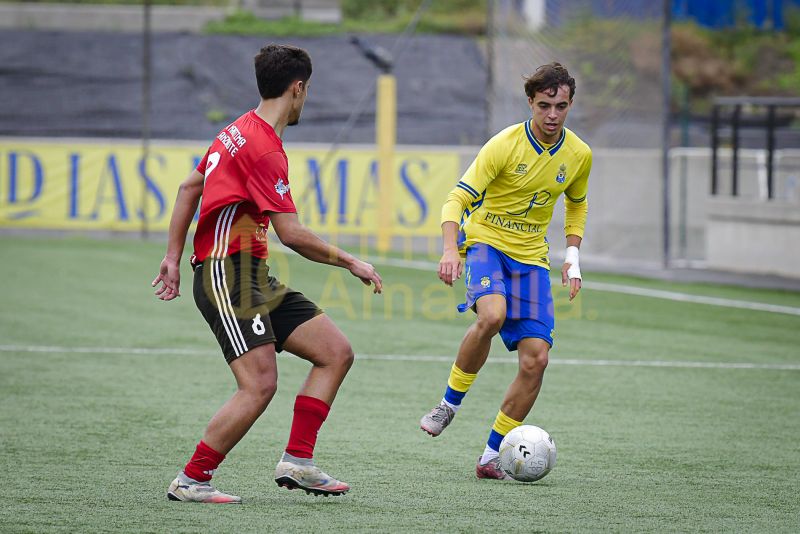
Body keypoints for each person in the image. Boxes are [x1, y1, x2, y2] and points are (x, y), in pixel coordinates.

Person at [152, 44, 382, 503]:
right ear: (297, 88)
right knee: (259, 384)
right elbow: (292, 234)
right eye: (307, 91)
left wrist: (173, 256)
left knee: (335, 352)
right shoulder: (262, 148)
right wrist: (351, 261)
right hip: (228, 274)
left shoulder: (237, 129)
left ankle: (298, 461)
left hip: (250, 274)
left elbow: (189, 186)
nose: (306, 98)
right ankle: (192, 479)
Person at [419, 62, 591, 479]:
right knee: (492, 315)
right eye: (545, 105)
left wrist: (572, 256)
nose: (553, 115)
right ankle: (448, 404)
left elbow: (577, 203)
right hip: (487, 245)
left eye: (561, 106)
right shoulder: (504, 144)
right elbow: (455, 199)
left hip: (531, 258)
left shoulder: (579, 154)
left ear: (569, 106)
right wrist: (449, 249)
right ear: (530, 102)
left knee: (537, 361)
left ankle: (490, 456)